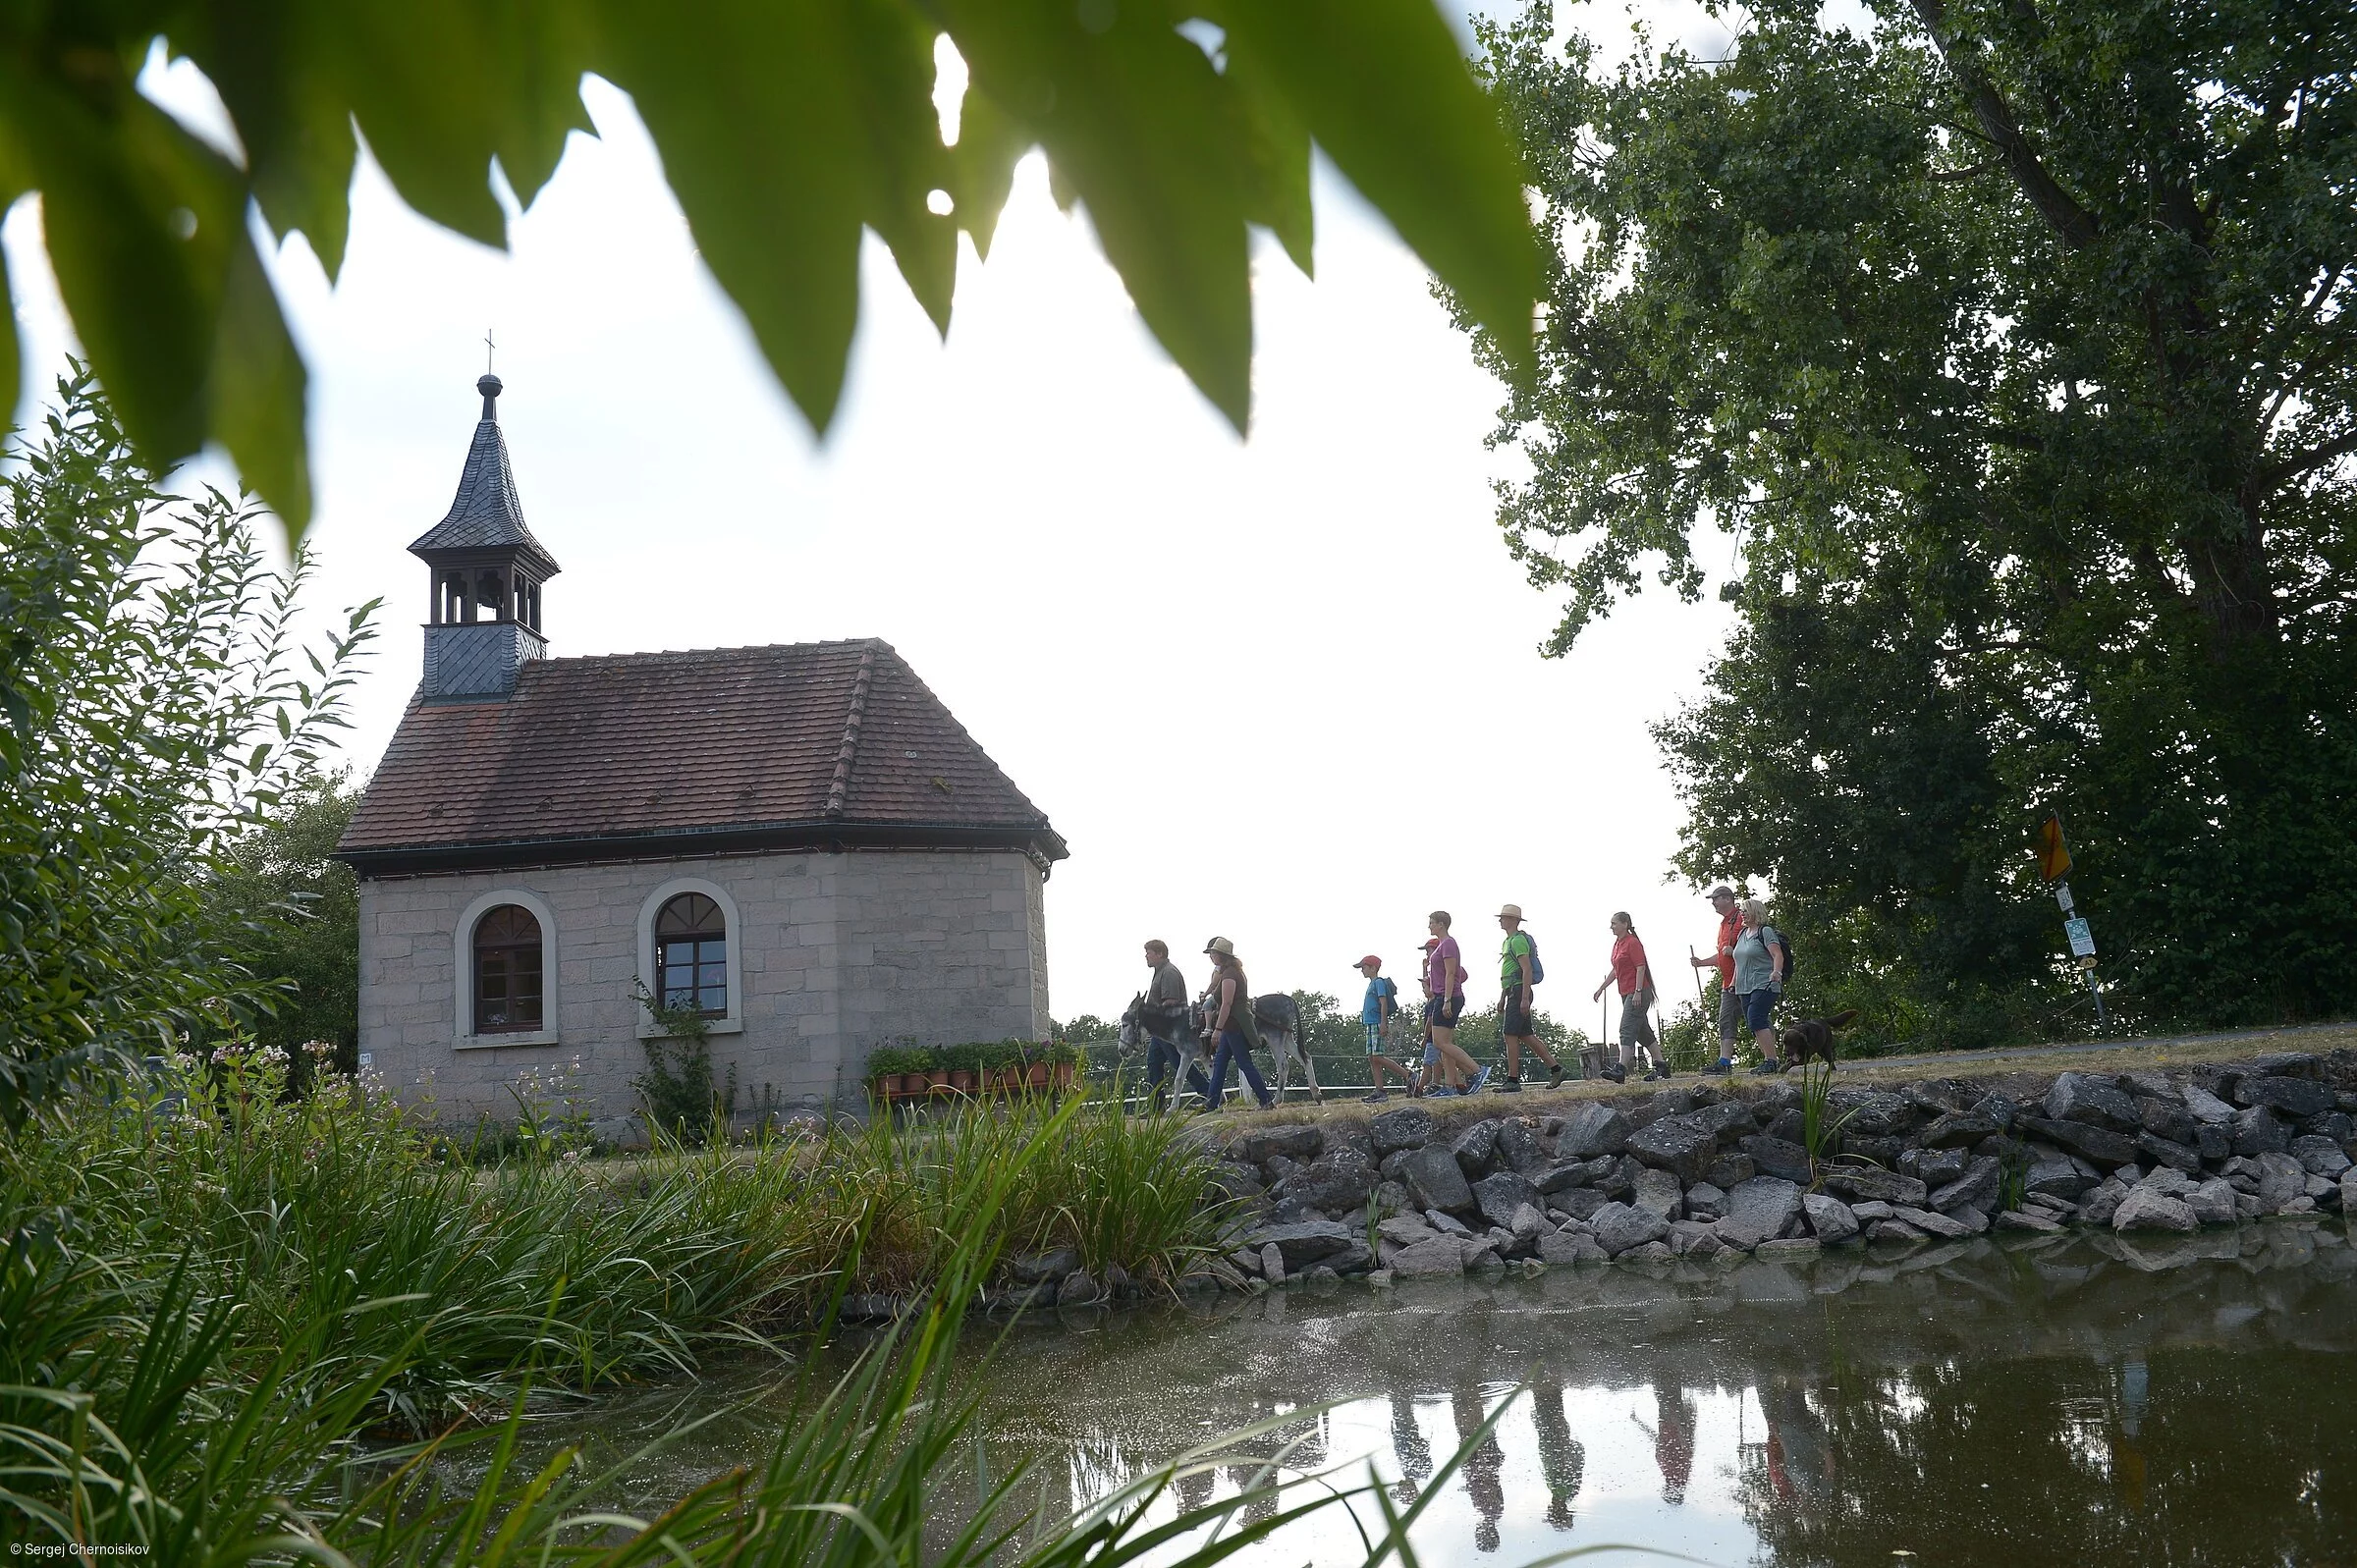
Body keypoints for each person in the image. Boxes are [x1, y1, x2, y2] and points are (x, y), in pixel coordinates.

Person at [1200, 937, 1277, 1110]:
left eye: (1213, 953)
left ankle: (1265, 1100)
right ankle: (1211, 1104)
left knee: (1244, 1063)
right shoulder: (1231, 972)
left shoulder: (1229, 975)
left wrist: (1217, 1029)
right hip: (1231, 1026)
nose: (1211, 956)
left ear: (1221, 955)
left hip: (1233, 1025)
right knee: (1220, 1063)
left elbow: (1227, 1004)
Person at [1494, 903, 1564, 1092]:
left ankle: (1513, 1080)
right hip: (1513, 991)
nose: (1501, 920)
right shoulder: (1508, 941)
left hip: (1519, 992)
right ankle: (1556, 1069)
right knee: (1526, 1035)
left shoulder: (1517, 941)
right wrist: (1502, 997)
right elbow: (1511, 972)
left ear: (1513, 920)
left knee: (1509, 1034)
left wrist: (1524, 998)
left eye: (1504, 917)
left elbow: (1526, 969)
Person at [1590, 911, 1663, 1081]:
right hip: (1625, 992)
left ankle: (1620, 1069)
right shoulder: (1618, 944)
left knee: (1627, 1028)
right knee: (1643, 1032)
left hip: (1638, 991)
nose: (1611, 927)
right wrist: (1601, 988)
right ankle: (1661, 1066)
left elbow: (1640, 967)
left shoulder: (1632, 943)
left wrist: (1637, 992)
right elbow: (1616, 970)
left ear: (1625, 924)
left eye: (1614, 923)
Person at [1139, 939, 1208, 1111]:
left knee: (1180, 1063)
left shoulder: (1169, 973)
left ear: (1160, 954)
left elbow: (1171, 1002)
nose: (1146, 956)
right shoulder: (1160, 971)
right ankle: (1157, 1104)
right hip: (1162, 1030)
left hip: (1171, 1029)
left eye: (1149, 952)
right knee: (1154, 1063)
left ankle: (1209, 1094)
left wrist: (1151, 1017)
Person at [1422, 913, 1487, 1095]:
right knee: (1444, 1043)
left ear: (1441, 925)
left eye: (1432, 923)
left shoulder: (1448, 943)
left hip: (1447, 996)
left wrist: (1447, 1000)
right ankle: (1450, 1086)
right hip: (1441, 996)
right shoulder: (1442, 945)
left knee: (1440, 1042)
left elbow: (1451, 973)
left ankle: (1476, 1071)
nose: (1429, 926)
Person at [1688, 886, 1741, 1075]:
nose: (1713, 903)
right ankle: (1724, 1062)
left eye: (1715, 899)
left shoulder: (1742, 919)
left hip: (1746, 980)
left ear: (1727, 899)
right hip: (1728, 983)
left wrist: (1732, 953)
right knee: (1725, 1019)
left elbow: (1749, 948)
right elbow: (1722, 956)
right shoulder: (1723, 925)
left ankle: (1771, 1059)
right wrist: (1702, 963)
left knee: (1756, 1019)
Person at [1731, 895, 1787, 1072]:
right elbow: (1739, 961)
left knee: (1756, 1019)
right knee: (1753, 1021)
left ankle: (1771, 1061)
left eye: (1746, 911)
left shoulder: (1765, 931)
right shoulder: (1742, 934)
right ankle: (1769, 1059)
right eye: (1742, 911)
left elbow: (1777, 954)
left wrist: (1776, 972)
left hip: (1765, 983)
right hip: (1744, 986)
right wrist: (1733, 982)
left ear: (1755, 912)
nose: (1742, 914)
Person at [1354, 955, 1417, 1102]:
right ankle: (1380, 1090)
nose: (1362, 970)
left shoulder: (1378, 983)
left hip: (1376, 1022)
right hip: (1370, 1024)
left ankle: (1408, 1075)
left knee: (1378, 1056)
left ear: (1373, 968)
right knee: (1372, 1058)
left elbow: (1383, 1003)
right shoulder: (1371, 984)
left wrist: (1383, 1023)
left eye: (1364, 967)